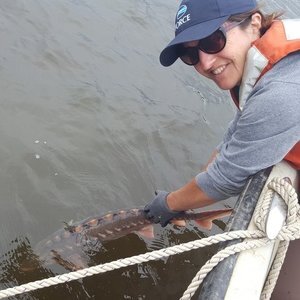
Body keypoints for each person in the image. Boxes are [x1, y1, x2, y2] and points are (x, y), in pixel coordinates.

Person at [144, 0, 300, 226]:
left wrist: (167, 204)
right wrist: (188, 200)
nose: (205, 63)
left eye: (212, 41)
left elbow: (227, 179)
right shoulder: (262, 63)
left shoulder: (282, 89)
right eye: (190, 55)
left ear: (254, 23)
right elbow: (234, 135)